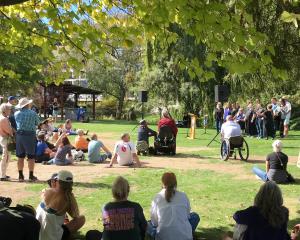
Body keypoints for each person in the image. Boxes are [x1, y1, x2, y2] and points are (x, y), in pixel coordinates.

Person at [86, 176, 147, 240]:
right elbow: (144, 227)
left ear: (113, 192)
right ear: (128, 191)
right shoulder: (136, 207)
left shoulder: (106, 208)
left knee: (91, 234)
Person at [147, 172, 200, 240]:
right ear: (176, 183)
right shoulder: (183, 195)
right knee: (194, 216)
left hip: (163, 236)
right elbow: (187, 216)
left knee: (148, 224)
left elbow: (154, 222)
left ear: (162, 183)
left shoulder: (157, 197)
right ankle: (184, 232)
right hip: (185, 236)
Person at [36, 170, 85, 240]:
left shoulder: (46, 191)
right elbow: (76, 215)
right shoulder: (68, 198)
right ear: (71, 183)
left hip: (37, 234)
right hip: (53, 237)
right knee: (82, 218)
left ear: (57, 181)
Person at [14, 97, 40, 182]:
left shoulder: (16, 113)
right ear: (28, 105)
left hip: (19, 136)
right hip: (30, 135)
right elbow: (38, 123)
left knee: (20, 156)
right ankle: (31, 175)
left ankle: (20, 176)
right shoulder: (33, 113)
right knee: (31, 156)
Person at [0, 103, 14, 181]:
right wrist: (12, 133)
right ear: (5, 110)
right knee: (5, 157)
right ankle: (2, 175)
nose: (10, 111)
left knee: (7, 157)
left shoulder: (3, 118)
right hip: (5, 138)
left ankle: (3, 174)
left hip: (4, 138)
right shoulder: (4, 119)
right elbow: (8, 130)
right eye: (9, 109)